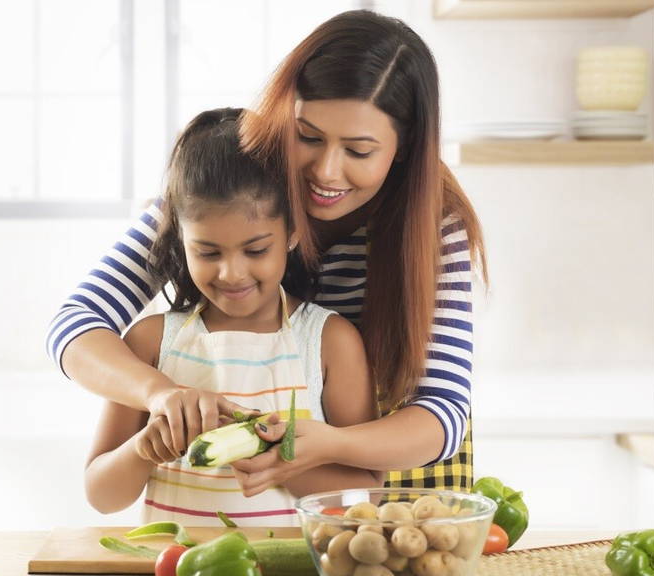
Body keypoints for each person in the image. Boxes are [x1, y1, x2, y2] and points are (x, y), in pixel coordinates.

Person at [48, 10, 487, 494]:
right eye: (309, 137)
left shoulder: (433, 223)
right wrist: (159, 393)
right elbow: (76, 322)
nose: (326, 171)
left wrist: (323, 446)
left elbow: (441, 414)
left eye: (359, 151)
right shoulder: (244, 181)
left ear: (403, 147)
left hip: (394, 467)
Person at [84, 108, 381, 526]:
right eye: (207, 253)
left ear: (293, 233)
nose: (232, 273)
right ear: (182, 241)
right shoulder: (152, 341)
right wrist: (141, 450)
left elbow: (367, 496)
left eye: (256, 250)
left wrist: (279, 458)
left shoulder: (330, 341)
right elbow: (101, 495)